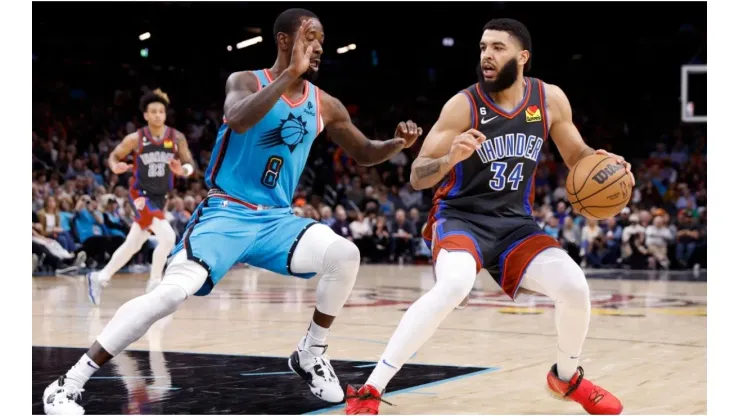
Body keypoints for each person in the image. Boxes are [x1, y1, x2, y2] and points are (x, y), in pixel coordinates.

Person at [42, 8, 421, 415]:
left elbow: (364, 152)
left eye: (322, 41)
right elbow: (239, 119)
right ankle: (68, 383)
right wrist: (288, 75)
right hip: (226, 212)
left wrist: (395, 145)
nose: (319, 47)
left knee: (345, 254)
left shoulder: (324, 104)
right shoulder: (245, 81)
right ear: (284, 41)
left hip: (277, 220)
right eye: (311, 37)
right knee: (168, 297)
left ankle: (311, 352)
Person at [345, 18, 633, 416]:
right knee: (454, 284)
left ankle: (566, 377)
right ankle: (370, 390)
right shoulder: (464, 105)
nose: (486, 55)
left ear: (523, 57)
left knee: (575, 287)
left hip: (515, 224)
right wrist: (451, 157)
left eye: (497, 47)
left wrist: (606, 163)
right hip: (461, 217)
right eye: (483, 48)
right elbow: (417, 175)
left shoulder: (549, 100)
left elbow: (578, 156)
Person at [86, 89, 194, 305]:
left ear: (165, 114)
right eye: (153, 111)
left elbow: (189, 163)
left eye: (161, 111)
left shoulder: (176, 137)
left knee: (133, 244)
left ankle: (99, 277)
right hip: (140, 194)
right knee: (168, 237)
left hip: (160, 197)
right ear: (145, 115)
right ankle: (155, 283)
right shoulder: (136, 138)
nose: (157, 115)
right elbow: (114, 156)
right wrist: (115, 166)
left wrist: (183, 171)